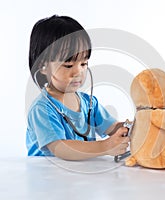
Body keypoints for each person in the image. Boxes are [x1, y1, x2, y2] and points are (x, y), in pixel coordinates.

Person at [26, 15, 130, 160]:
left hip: (80, 178)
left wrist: (132, 127)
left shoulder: (89, 103)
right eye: (68, 65)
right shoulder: (42, 109)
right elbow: (61, 148)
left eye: (83, 64)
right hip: (48, 177)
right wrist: (105, 146)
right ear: (43, 66)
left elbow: (112, 128)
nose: (78, 72)